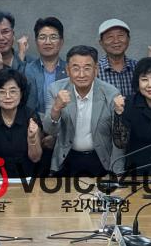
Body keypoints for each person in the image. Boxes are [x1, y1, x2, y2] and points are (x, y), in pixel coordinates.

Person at [43, 45, 125, 176]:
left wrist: (117, 172)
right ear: (67, 70)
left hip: (100, 159)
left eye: (87, 68)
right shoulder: (55, 89)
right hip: (67, 158)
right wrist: (56, 108)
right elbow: (49, 130)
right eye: (75, 68)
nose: (81, 74)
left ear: (96, 70)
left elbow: (118, 139)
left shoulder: (111, 93)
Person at [23, 17, 68, 176]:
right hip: (35, 134)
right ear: (36, 42)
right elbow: (26, 107)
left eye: (53, 37)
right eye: (42, 37)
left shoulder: (70, 70)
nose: (48, 42)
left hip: (64, 134)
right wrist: (39, 133)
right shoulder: (27, 70)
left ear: (61, 42)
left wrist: (56, 135)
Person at [0, 69, 42, 178]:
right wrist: (1, 180)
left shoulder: (31, 116)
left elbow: (35, 158)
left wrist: (32, 139)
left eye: (13, 91)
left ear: (21, 93)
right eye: (2, 92)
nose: (7, 96)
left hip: (27, 178)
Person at [97, 18, 138, 97]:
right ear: (101, 43)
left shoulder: (138, 68)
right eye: (110, 37)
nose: (116, 41)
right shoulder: (95, 71)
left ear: (128, 39)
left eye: (121, 35)